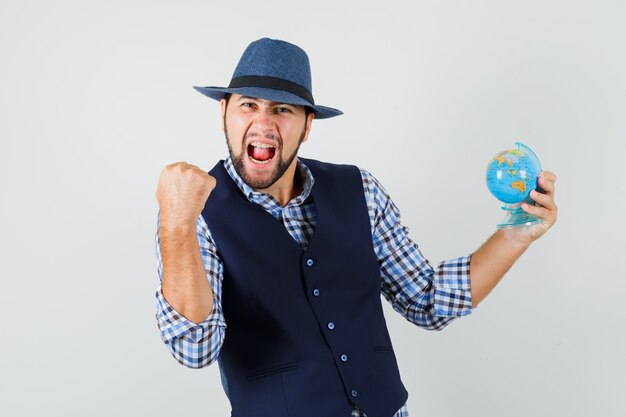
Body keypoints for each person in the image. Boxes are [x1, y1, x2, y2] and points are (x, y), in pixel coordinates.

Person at [154, 38, 558, 417]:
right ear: (223, 112)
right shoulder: (194, 214)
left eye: (282, 109)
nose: (263, 122)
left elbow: (428, 301)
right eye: (248, 105)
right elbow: (195, 348)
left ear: (308, 125)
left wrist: (517, 232)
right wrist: (176, 222)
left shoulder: (358, 189)